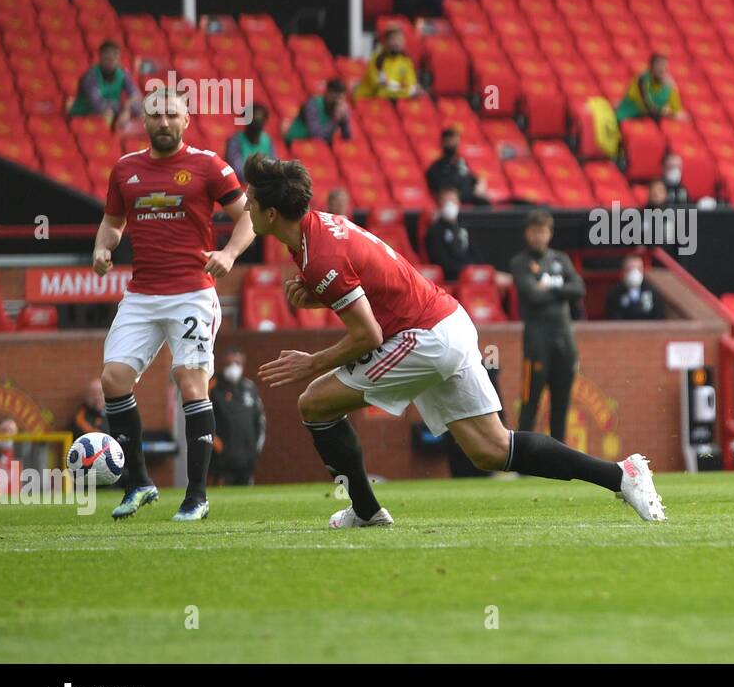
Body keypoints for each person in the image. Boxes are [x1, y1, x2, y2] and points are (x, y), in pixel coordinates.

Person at [242, 156, 664, 524]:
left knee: (313, 401)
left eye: (252, 201)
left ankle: (365, 511)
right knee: (491, 449)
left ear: (273, 212)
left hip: (425, 337)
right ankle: (620, 475)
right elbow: (373, 292)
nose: (246, 206)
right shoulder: (321, 231)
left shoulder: (319, 256)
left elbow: (367, 334)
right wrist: (320, 298)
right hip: (448, 323)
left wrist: (311, 362)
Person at [93, 87, 256, 521]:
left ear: (186, 121)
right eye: (155, 115)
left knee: (190, 382)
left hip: (192, 292)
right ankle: (139, 483)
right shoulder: (125, 169)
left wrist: (228, 254)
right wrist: (102, 249)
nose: (163, 122)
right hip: (142, 295)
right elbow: (112, 222)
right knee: (113, 380)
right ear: (143, 122)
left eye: (171, 115)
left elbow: (248, 218)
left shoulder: (208, 166)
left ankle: (196, 496)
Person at [510, 210, 584, 445]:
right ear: (526, 233)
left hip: (564, 340)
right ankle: (522, 460)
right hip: (536, 342)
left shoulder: (560, 259)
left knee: (561, 402)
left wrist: (549, 288)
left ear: (550, 233)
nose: (538, 236)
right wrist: (560, 289)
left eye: (542, 231)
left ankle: (559, 458)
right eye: (534, 231)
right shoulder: (520, 262)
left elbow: (579, 289)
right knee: (530, 400)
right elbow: (531, 294)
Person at [209, 348, 266, 485]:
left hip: (247, 459)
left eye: (237, 363)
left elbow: (260, 420)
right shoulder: (212, 387)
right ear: (223, 364)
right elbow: (204, 421)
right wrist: (217, 447)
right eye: (229, 363)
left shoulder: (250, 387)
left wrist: (255, 448)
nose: (233, 367)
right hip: (221, 460)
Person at [68, 40, 142, 129]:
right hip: (84, 117)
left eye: (115, 56)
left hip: (112, 113)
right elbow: (98, 105)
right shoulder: (91, 77)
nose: (111, 60)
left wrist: (127, 109)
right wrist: (124, 107)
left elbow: (136, 96)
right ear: (100, 57)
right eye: (108, 57)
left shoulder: (123, 74)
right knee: (108, 114)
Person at [426, 127, 490, 205]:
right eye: (450, 141)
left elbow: (470, 177)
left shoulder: (461, 162)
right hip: (453, 201)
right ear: (443, 143)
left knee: (484, 202)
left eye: (455, 141)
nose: (453, 144)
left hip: (469, 197)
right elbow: (440, 189)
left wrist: (479, 182)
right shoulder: (437, 167)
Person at [424, 188, 477, 281]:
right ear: (439, 205)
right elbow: (442, 262)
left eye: (453, 200)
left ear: (459, 203)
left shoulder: (464, 227)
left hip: (471, 273)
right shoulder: (434, 231)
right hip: (452, 277)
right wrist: (467, 271)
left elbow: (476, 254)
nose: (450, 205)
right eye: (446, 201)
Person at [355, 27, 421, 100]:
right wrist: (403, 88)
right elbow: (380, 87)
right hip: (368, 100)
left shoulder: (406, 61)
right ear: (385, 42)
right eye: (393, 39)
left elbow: (411, 85)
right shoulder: (377, 59)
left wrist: (394, 85)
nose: (397, 43)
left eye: (399, 40)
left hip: (393, 100)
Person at [615, 54, 686, 122]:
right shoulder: (642, 80)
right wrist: (668, 113)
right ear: (651, 67)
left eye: (665, 67)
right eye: (659, 66)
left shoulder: (667, 84)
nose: (662, 69)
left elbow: (677, 109)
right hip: (630, 115)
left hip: (650, 118)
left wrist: (674, 87)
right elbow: (647, 105)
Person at [287, 79, 351, 143]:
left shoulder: (341, 108)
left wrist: (344, 121)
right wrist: (335, 120)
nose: (339, 101)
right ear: (328, 93)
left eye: (341, 98)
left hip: (319, 146)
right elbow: (316, 135)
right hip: (296, 141)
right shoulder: (313, 104)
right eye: (336, 97)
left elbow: (347, 137)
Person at [606, 254, 665, 320]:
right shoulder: (615, 294)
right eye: (630, 269)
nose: (634, 273)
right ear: (622, 272)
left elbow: (659, 316)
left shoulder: (652, 291)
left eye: (638, 269)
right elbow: (613, 317)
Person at [225, 104, 276, 178]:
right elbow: (237, 170)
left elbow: (273, 166)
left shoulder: (267, 140)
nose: (257, 121)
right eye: (254, 117)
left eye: (260, 118)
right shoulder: (235, 140)